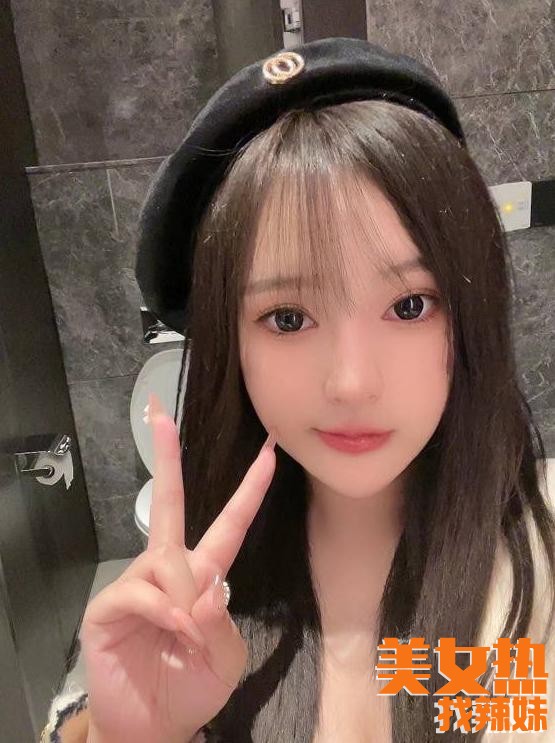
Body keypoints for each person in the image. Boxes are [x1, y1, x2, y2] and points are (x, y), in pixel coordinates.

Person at [42, 38, 555, 742]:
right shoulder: (184, 592)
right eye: (287, 318)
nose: (351, 383)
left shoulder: (540, 554)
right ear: (231, 345)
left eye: (409, 306)